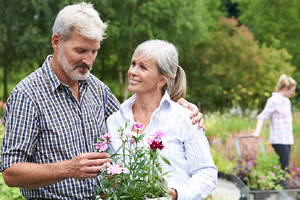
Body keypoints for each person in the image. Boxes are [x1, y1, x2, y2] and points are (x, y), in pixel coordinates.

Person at [0, 2, 204, 199]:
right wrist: (69, 168)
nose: (88, 61)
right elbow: (10, 172)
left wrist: (179, 104)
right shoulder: (27, 95)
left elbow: (136, 116)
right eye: (80, 51)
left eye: (94, 51)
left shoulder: (97, 89)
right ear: (56, 42)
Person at [107, 39, 217, 200]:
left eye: (143, 67)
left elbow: (207, 173)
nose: (133, 71)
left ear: (162, 80)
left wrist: (176, 194)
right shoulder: (115, 120)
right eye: (133, 64)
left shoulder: (185, 118)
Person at [252, 74, 297, 172]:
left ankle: (279, 185)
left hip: (287, 139)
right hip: (278, 139)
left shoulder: (286, 101)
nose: (293, 93)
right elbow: (262, 117)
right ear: (285, 88)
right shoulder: (273, 101)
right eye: (292, 90)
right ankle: (279, 186)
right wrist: (257, 131)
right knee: (284, 168)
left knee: (284, 167)